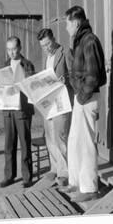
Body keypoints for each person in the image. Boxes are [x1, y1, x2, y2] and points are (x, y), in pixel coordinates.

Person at [62, 6, 107, 203]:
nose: (65, 27)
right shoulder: (80, 41)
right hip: (81, 97)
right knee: (74, 141)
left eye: (67, 23)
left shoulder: (89, 41)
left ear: (76, 22)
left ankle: (89, 187)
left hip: (86, 99)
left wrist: (81, 96)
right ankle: (75, 181)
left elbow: (94, 75)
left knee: (86, 142)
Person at [0, 36, 35, 189]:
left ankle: (27, 177)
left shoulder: (27, 65)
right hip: (8, 109)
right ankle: (9, 176)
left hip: (22, 109)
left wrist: (23, 84)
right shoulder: (5, 65)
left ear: (20, 48)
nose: (11, 52)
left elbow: (32, 86)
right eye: (9, 49)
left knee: (25, 143)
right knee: (9, 144)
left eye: (14, 49)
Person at [37, 28, 73, 187]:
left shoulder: (65, 52)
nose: (47, 48)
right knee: (50, 136)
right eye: (43, 46)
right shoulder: (46, 57)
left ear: (54, 38)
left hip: (61, 101)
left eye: (48, 44)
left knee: (60, 136)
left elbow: (75, 73)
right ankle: (55, 168)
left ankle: (65, 172)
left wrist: (67, 79)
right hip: (48, 102)